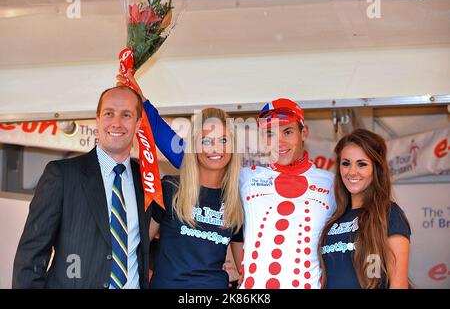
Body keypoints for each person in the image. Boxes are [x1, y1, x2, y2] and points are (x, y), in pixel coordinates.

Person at [117, 70, 336, 289]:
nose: (279, 142)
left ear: (303, 133)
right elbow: (184, 152)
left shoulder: (330, 183)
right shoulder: (247, 180)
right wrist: (140, 100)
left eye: (287, 132)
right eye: (270, 133)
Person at [12, 86, 151, 289]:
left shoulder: (146, 182)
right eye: (109, 113)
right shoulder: (62, 175)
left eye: (126, 115)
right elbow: (31, 256)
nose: (116, 122)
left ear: (138, 123)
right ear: (97, 118)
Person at [147, 107, 244, 289]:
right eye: (206, 141)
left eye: (223, 140)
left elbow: (247, 271)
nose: (215, 148)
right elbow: (138, 247)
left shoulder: (237, 201)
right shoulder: (170, 189)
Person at [318, 128, 411, 289]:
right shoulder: (334, 218)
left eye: (361, 164)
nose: (352, 172)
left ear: (376, 169)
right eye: (346, 163)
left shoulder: (388, 214)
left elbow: (398, 284)